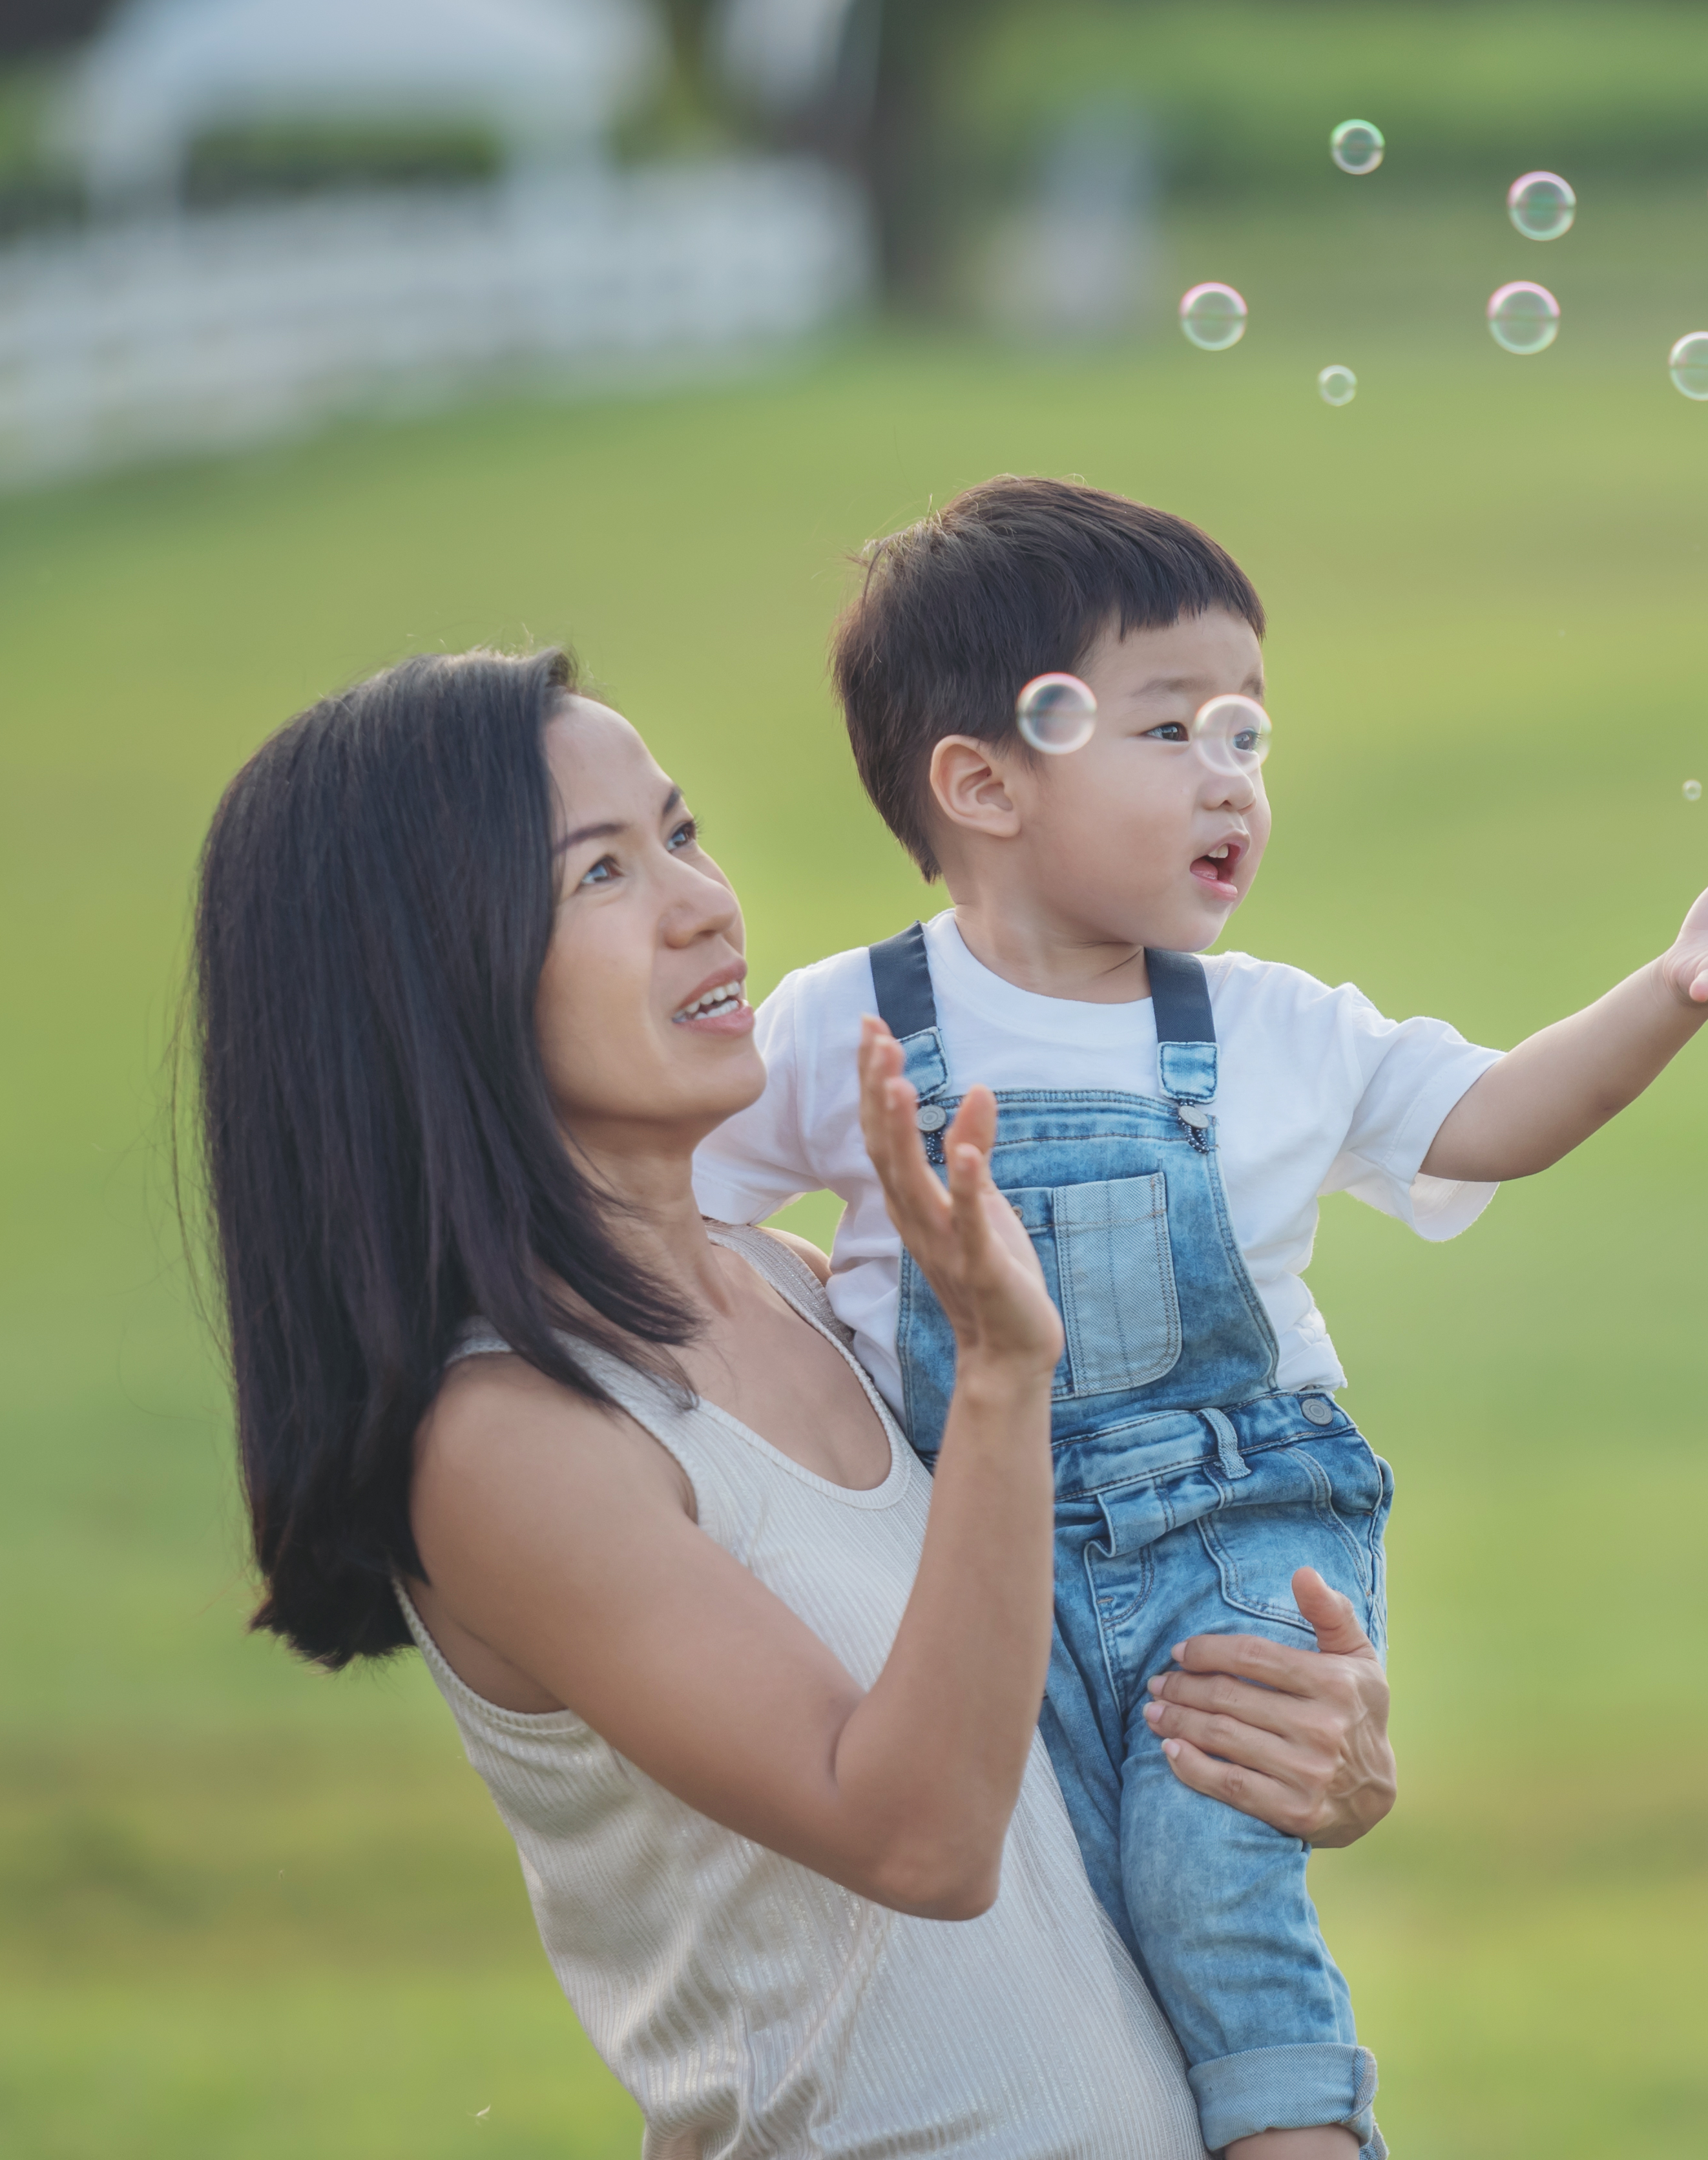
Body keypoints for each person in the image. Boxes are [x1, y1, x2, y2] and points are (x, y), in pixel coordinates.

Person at [694, 476, 1708, 2157]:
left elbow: (1488, 1118)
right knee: (1047, 1913)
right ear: (980, 782)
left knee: (1209, 1892)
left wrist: (1672, 990)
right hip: (986, 1552)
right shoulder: (848, 1026)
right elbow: (679, 1221)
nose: (1232, 779)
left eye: (1250, 734)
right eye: (1172, 727)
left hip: (1234, 1533)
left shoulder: (1268, 1028)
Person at [187, 645, 1401, 2159]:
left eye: (682, 835)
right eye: (601, 875)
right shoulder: (512, 1440)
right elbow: (920, 1834)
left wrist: (1289, 1749)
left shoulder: (802, 1289)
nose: (704, 903)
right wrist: (1007, 1381)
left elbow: (1059, 1698)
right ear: (428, 978)